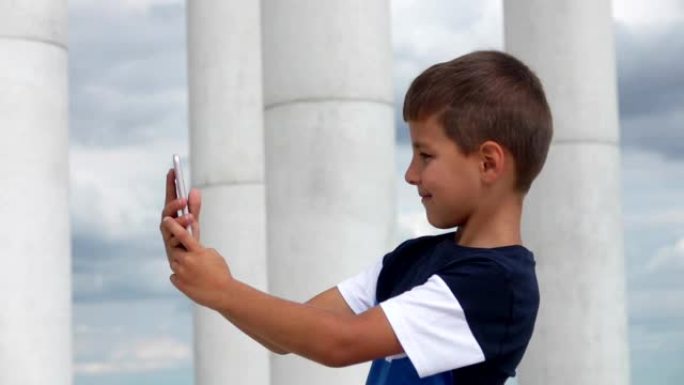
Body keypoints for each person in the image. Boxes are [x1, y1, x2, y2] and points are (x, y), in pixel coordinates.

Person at [159, 49, 553, 385]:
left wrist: (223, 289)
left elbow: (339, 342)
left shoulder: (498, 286)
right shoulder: (411, 259)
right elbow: (288, 333)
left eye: (426, 155)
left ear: (488, 163)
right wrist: (202, 274)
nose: (411, 174)